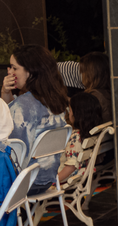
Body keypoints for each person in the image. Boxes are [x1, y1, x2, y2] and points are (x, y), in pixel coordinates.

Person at [4, 45, 70, 192]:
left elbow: (10, 148)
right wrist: (6, 92)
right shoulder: (56, 101)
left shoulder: (23, 106)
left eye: (15, 68)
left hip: (21, 183)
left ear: (30, 71)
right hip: (46, 179)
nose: (10, 72)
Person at [57, 91, 106, 185]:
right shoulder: (91, 133)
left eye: (70, 110)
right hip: (82, 174)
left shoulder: (75, 138)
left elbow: (71, 167)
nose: (68, 113)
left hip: (68, 179)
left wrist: (55, 181)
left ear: (77, 114)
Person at [79, 52, 112, 124]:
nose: (81, 75)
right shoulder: (107, 93)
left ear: (91, 74)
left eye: (83, 72)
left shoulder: (93, 96)